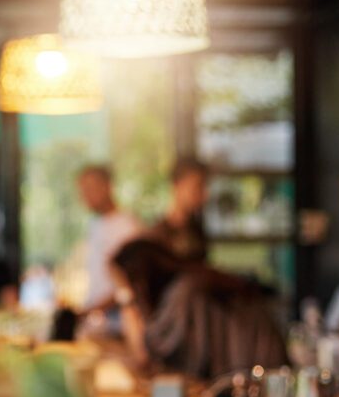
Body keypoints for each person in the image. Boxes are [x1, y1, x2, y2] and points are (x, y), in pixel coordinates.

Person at [110, 239, 286, 378]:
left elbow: (145, 356)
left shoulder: (185, 292)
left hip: (262, 374)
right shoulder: (187, 282)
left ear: (140, 277)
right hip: (261, 369)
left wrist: (126, 298)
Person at [76, 165, 143, 313]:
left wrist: (98, 309)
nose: (84, 196)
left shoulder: (127, 227)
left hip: (118, 319)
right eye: (82, 191)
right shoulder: (94, 224)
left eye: (89, 189)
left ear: (107, 187)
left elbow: (132, 281)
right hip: (96, 316)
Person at [146, 157, 209, 263]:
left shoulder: (197, 229)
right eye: (197, 186)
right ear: (177, 184)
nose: (205, 195)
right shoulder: (157, 235)